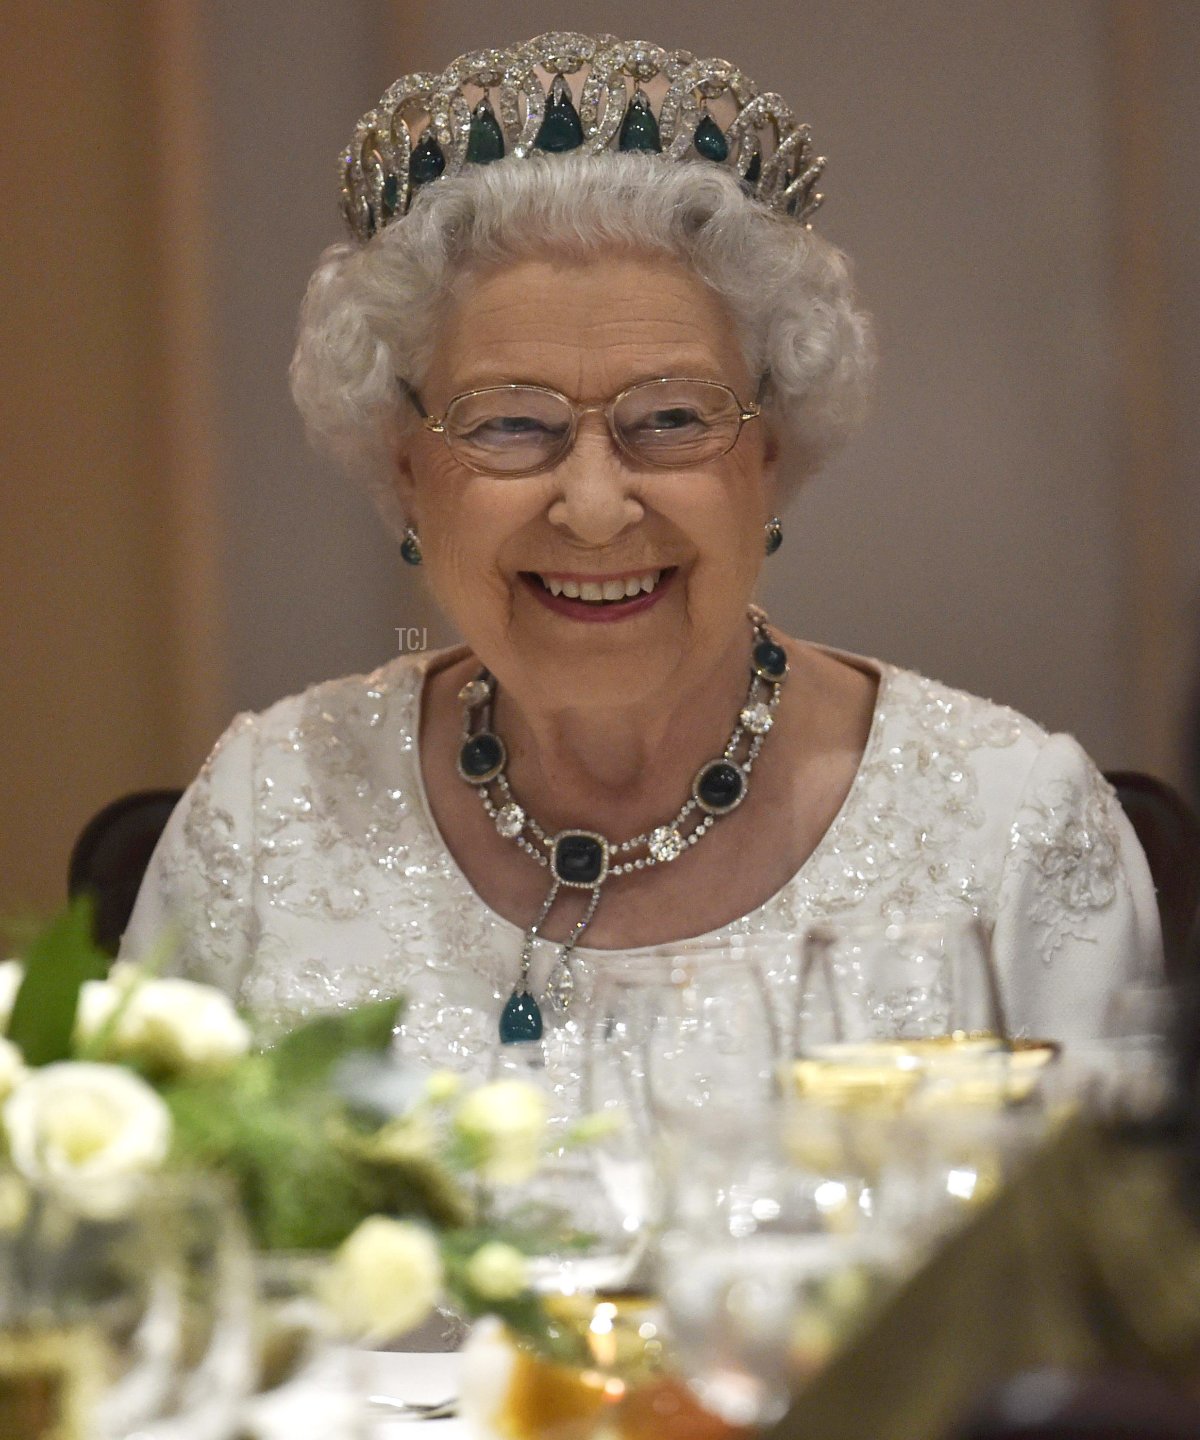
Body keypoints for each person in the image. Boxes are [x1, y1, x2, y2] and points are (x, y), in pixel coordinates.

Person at [121, 33, 1161, 1104]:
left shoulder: (1010, 829)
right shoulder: (266, 809)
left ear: (769, 452)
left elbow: (1090, 1265)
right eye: (510, 424)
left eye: (671, 417)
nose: (595, 506)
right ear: (408, 468)